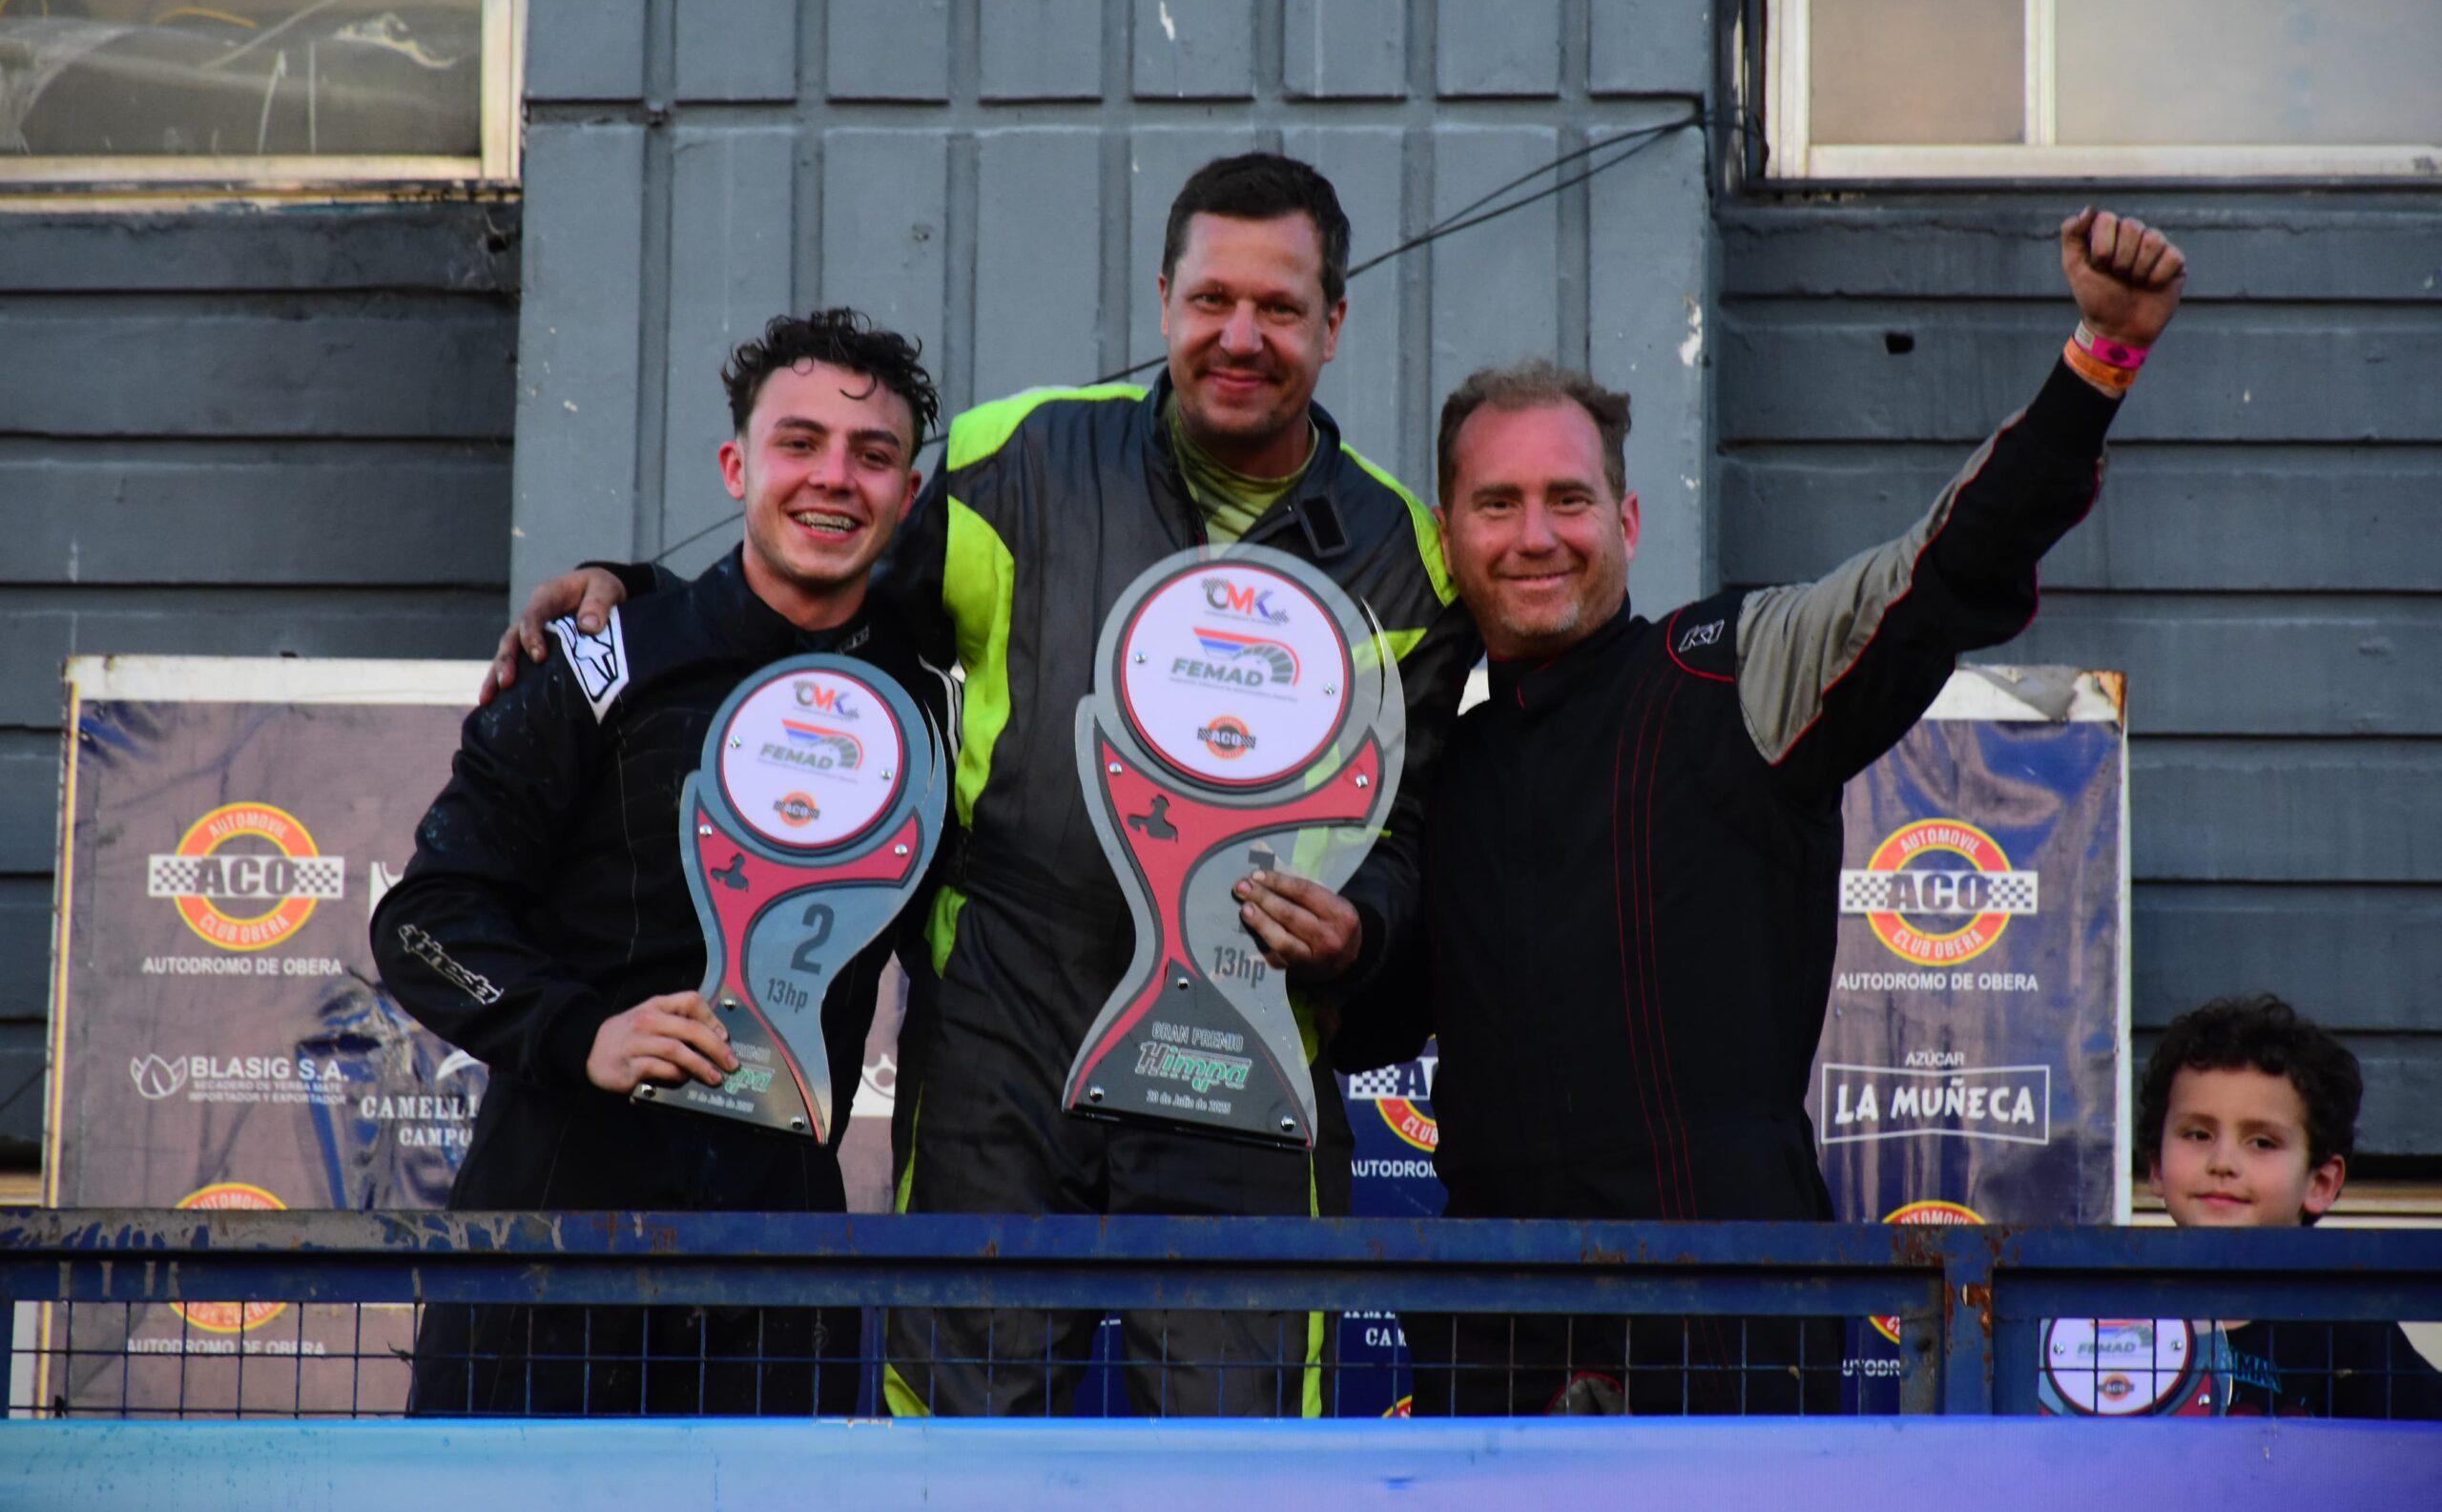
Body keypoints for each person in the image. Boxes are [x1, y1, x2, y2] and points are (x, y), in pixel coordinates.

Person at [486, 154, 1480, 1418]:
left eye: (1280, 308)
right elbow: (812, 605)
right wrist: (630, 585)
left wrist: (1364, 926)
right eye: (1212, 298)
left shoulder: (1409, 562)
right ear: (1165, 297)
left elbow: (1403, 829)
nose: (1242, 335)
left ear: (1334, 322)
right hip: (1002, 1046)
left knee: (1243, 1473)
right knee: (959, 1455)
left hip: (1246, 1060)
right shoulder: (1024, 453)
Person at [1330, 206, 2189, 1417]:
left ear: (1627, 523)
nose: (1536, 535)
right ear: (1448, 535)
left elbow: (1934, 574)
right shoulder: (1436, 761)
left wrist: (2094, 362)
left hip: (1731, 1315)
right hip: (1491, 1329)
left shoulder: (1728, 666)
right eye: (1497, 503)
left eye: (1570, 500)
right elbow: (1364, 1021)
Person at [372, 308, 952, 1416]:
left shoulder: (931, 700)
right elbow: (426, 918)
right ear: (737, 465)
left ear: (906, 497)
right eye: (798, 443)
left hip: (781, 1272)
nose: (834, 478)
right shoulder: (601, 659)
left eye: (872, 455)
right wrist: (579, 1030)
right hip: (553, 1248)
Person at [2037, 994, 2442, 1419]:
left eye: (2262, 1142)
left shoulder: (2350, 1327)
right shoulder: (2097, 1318)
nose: (2223, 1163)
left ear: (2320, 1182)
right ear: (2156, 1164)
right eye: (2197, 1135)